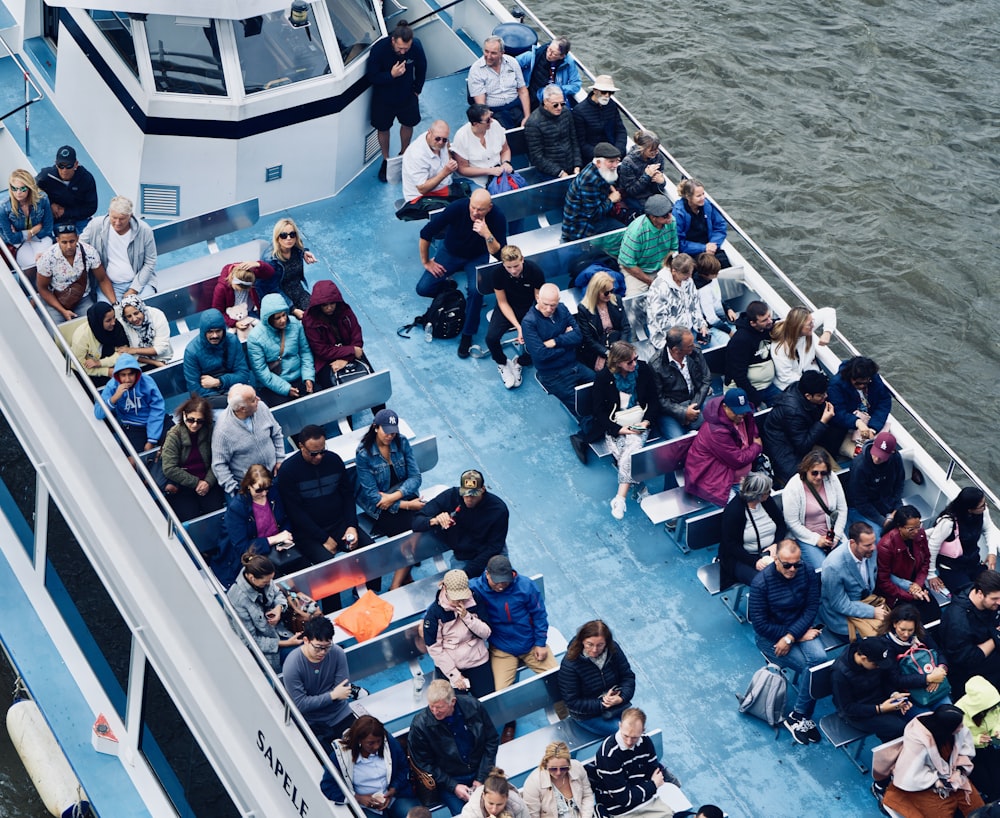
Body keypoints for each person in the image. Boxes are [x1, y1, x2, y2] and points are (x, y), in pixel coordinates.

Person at [749, 539, 825, 744]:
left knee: (819, 661)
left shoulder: (807, 571)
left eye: (796, 564)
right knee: (813, 669)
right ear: (775, 561)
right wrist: (794, 636)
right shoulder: (760, 584)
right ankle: (800, 716)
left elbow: (811, 607)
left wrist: (792, 636)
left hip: (797, 630)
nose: (793, 569)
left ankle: (798, 715)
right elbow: (760, 625)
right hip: (771, 638)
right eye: (787, 565)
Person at [417, 190, 507, 358]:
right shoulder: (458, 208)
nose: (475, 212)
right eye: (473, 207)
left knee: (475, 291)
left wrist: (487, 233)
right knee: (423, 288)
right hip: (450, 252)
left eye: (480, 209)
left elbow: (499, 254)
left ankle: (467, 334)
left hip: (477, 257)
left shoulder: (497, 217)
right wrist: (426, 262)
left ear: (489, 208)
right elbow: (426, 233)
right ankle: (451, 291)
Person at [278, 424, 375, 570]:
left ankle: (369, 590)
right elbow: (295, 512)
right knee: (328, 569)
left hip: (339, 524)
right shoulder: (287, 471)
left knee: (370, 551)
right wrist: (323, 538)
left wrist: (351, 526)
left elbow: (348, 496)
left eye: (322, 451)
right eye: (313, 453)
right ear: (301, 447)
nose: (319, 457)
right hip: (308, 532)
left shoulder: (334, 460)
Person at [521, 283, 595, 463]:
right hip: (554, 375)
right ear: (538, 298)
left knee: (602, 390)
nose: (549, 309)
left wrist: (554, 341)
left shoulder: (561, 309)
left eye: (552, 305)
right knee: (584, 410)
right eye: (545, 304)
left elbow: (578, 337)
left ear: (558, 301)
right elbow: (540, 355)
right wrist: (566, 343)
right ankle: (582, 438)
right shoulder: (529, 322)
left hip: (574, 365)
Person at [407, 679, 499, 815]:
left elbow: (491, 740)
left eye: (439, 707)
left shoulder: (473, 706)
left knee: (497, 809)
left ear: (453, 702)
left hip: (481, 769)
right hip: (449, 779)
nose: (434, 711)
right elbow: (423, 763)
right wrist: (453, 786)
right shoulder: (420, 725)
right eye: (431, 706)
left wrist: (481, 778)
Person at [470, 555, 558, 692]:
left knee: (557, 681)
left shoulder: (526, 586)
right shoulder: (475, 588)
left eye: (505, 582)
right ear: (487, 574)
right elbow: (445, 600)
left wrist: (540, 643)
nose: (500, 586)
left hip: (531, 645)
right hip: (502, 649)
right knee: (500, 694)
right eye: (496, 582)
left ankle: (564, 714)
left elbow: (539, 615)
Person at [880, 704, 984, 817]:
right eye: (959, 726)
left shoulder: (952, 729)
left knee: (979, 808)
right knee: (942, 814)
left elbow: (965, 751)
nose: (962, 727)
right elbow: (910, 773)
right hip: (926, 784)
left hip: (953, 776)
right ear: (947, 728)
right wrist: (937, 781)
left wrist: (958, 771)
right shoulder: (918, 743)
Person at [593, 341, 658, 520]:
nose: (635, 364)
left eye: (635, 359)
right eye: (630, 362)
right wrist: (620, 429)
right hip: (616, 425)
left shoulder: (643, 370)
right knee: (630, 453)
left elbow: (654, 400)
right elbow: (598, 412)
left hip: (639, 421)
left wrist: (645, 423)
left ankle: (620, 498)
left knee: (630, 450)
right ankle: (639, 489)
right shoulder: (604, 378)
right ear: (617, 363)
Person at [412, 469, 509, 578]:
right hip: (463, 555)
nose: (468, 499)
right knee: (456, 589)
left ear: (483, 490)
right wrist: (434, 520)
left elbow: (494, 547)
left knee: (502, 584)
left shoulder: (498, 510)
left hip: (491, 554)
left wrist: (466, 573)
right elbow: (416, 522)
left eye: (473, 495)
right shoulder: (451, 496)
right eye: (465, 494)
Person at [321, 715, 420, 818]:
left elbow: (403, 768)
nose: (376, 746)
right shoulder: (340, 757)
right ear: (359, 741)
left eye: (379, 741)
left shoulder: (389, 743)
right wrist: (358, 798)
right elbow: (328, 787)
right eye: (370, 743)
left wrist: (393, 788)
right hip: (364, 807)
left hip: (395, 797)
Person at [589, 707, 679, 818]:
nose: (629, 742)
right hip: (620, 810)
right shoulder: (608, 755)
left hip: (648, 801)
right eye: (625, 736)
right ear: (620, 726)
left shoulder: (645, 742)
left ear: (643, 730)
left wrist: (649, 786)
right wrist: (653, 784)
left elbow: (653, 772)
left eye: (635, 737)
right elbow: (624, 799)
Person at [216, 464, 295, 586]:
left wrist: (285, 538)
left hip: (278, 547)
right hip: (254, 556)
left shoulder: (273, 493)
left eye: (267, 488)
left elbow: (284, 519)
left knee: (300, 565)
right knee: (277, 580)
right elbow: (242, 548)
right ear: (248, 486)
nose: (264, 493)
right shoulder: (237, 508)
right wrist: (273, 540)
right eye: (258, 490)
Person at [367, 21, 426, 182]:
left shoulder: (416, 47)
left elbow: (422, 67)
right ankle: (386, 159)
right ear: (393, 40)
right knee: (383, 127)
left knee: (408, 123)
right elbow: (372, 76)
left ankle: (404, 154)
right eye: (400, 48)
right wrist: (391, 75)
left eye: (406, 49)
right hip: (383, 97)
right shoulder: (379, 49)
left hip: (407, 95)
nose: (402, 51)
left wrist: (417, 89)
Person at [282, 616, 355, 746]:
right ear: (306, 640)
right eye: (318, 647)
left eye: (327, 647)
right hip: (311, 722)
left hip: (339, 713)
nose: (323, 652)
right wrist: (332, 695)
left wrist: (322, 700)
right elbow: (301, 705)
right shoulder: (292, 665)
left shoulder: (337, 653)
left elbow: (342, 693)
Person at [683, 388, 762, 508]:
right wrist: (757, 447)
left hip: (738, 476)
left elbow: (753, 432)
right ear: (725, 407)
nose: (741, 415)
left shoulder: (744, 415)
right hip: (715, 480)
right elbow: (738, 460)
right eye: (737, 412)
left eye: (743, 411)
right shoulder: (716, 431)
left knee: (761, 503)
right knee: (737, 512)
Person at [354, 408, 425, 538]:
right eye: (386, 431)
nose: (390, 436)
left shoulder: (401, 442)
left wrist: (393, 497)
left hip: (401, 493)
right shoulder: (363, 454)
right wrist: (408, 505)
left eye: (393, 432)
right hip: (380, 506)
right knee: (406, 531)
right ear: (375, 427)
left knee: (422, 524)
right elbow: (372, 496)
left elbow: (415, 477)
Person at [423, 569, 494, 697]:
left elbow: (486, 633)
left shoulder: (475, 599)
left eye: (462, 597)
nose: (459, 601)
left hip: (477, 658)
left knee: (490, 699)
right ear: (444, 588)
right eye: (455, 597)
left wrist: (467, 617)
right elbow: (434, 648)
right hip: (450, 664)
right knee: (456, 705)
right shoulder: (434, 613)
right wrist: (454, 675)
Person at [558, 621, 636, 737]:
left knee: (636, 729)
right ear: (582, 641)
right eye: (589, 644)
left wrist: (621, 697)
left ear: (607, 643)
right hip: (587, 715)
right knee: (626, 734)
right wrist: (603, 703)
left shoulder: (613, 650)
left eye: (600, 645)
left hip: (616, 706)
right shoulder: (571, 663)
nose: (594, 650)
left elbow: (628, 677)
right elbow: (572, 702)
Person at [226, 551, 301, 672]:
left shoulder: (265, 578)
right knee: (302, 658)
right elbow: (250, 641)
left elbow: (278, 594)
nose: (269, 584)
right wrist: (285, 643)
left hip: (283, 631)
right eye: (265, 582)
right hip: (268, 651)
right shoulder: (237, 600)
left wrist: (279, 608)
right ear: (252, 578)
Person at [831, 636, 914, 741]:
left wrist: (894, 694)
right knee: (899, 728)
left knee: (914, 716)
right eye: (876, 664)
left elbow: (885, 679)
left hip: (879, 698)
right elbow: (847, 708)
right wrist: (880, 709)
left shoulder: (874, 659)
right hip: (858, 713)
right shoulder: (839, 674)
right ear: (863, 658)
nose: (878, 667)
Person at [761, 371, 836, 486]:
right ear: (808, 396)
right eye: (820, 395)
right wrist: (823, 422)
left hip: (798, 437)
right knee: (807, 482)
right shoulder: (793, 411)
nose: (825, 396)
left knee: (831, 472)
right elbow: (803, 446)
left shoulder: (800, 389)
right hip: (783, 450)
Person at [486, 245, 544, 389]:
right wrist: (518, 327)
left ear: (522, 259)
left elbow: (538, 300)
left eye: (516, 266)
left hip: (528, 307)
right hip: (507, 307)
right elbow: (502, 302)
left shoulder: (535, 271)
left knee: (539, 336)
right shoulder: (497, 274)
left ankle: (521, 362)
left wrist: (527, 325)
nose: (513, 271)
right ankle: (503, 363)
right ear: (503, 265)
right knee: (491, 338)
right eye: (509, 267)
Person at [211, 384, 284, 496]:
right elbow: (219, 465)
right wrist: (235, 490)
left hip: (275, 474)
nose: (258, 399)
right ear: (242, 409)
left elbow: (276, 433)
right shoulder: (222, 431)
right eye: (253, 399)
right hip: (251, 488)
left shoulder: (261, 407)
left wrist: (280, 460)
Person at [159, 396, 224, 521]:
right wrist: (196, 483)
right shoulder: (174, 435)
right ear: (184, 415)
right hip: (183, 486)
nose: (194, 424)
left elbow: (219, 458)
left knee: (215, 514)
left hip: (208, 482)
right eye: (191, 420)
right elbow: (169, 468)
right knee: (189, 516)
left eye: (199, 421)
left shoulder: (211, 430)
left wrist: (208, 482)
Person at [782, 447, 848, 571]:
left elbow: (842, 509)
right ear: (806, 470)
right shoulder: (794, 487)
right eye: (814, 472)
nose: (819, 477)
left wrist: (837, 536)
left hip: (831, 533)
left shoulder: (832, 478)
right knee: (826, 569)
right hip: (806, 537)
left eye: (823, 473)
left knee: (848, 563)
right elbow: (792, 523)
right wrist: (816, 540)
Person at [35, 223, 115, 323]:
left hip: (82, 298)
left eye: (72, 241)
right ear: (57, 240)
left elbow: (102, 279)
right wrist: (63, 311)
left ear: (77, 238)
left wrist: (114, 303)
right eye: (64, 242)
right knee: (56, 331)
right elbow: (43, 289)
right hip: (56, 299)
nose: (69, 246)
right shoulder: (47, 258)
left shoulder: (89, 252)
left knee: (94, 323)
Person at [303, 280, 375, 391]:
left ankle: (380, 409)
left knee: (373, 384)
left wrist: (346, 359)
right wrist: (351, 351)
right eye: (324, 305)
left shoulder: (345, 311)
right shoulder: (310, 321)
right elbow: (321, 350)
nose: (329, 308)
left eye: (332, 303)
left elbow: (357, 337)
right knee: (334, 393)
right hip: (325, 360)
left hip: (350, 352)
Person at [820, 521, 887, 639]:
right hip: (843, 616)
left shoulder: (870, 550)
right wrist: (872, 612)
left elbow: (882, 573)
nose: (873, 548)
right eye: (867, 545)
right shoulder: (833, 566)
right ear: (853, 542)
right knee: (879, 641)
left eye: (873, 543)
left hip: (869, 603)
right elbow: (839, 604)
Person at [938, 570, 1000, 699]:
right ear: (979, 593)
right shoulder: (958, 621)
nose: (999, 602)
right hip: (971, 672)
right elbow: (968, 659)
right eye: (995, 599)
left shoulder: (988, 600)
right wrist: (996, 636)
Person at [81, 196, 157, 300]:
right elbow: (79, 247)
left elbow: (150, 261)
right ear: (109, 213)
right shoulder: (95, 225)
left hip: (140, 283)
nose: (117, 223)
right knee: (107, 314)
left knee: (146, 308)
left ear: (130, 216)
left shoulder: (144, 230)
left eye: (122, 219)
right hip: (109, 285)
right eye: (114, 218)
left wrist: (134, 289)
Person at [720, 472, 787, 589]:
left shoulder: (767, 501)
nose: (769, 494)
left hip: (771, 552)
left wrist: (776, 544)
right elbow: (730, 544)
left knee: (794, 571)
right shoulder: (734, 511)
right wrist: (754, 562)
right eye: (768, 491)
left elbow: (781, 524)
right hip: (743, 558)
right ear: (758, 495)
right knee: (768, 584)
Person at [928, 488, 999, 596]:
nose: (985, 507)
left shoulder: (983, 512)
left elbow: (989, 529)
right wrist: (931, 574)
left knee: (995, 588)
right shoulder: (948, 522)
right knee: (970, 596)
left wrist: (992, 552)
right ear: (970, 509)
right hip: (952, 569)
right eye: (982, 506)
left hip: (973, 563)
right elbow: (933, 546)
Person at [247, 293, 315, 406]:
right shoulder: (255, 338)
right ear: (268, 319)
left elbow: (305, 352)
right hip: (275, 383)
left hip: (299, 376)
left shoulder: (295, 324)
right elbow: (261, 371)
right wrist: (286, 389)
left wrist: (308, 377)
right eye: (277, 318)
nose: (283, 320)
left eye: (284, 315)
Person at [879, 604, 950, 709]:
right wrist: (928, 678)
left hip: (936, 682)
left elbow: (938, 651)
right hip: (909, 693)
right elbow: (895, 679)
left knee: (950, 713)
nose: (906, 634)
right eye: (902, 629)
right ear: (894, 624)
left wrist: (940, 669)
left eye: (910, 630)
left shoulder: (919, 633)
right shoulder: (886, 644)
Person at [877, 506, 940, 623]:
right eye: (911, 529)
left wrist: (918, 584)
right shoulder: (885, 546)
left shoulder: (920, 534)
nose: (916, 531)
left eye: (918, 526)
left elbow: (926, 561)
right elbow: (883, 581)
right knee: (913, 620)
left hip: (916, 583)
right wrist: (910, 595)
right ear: (899, 527)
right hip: (897, 591)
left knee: (934, 612)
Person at [93, 354, 165, 452]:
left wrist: (151, 440)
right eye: (123, 375)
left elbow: (157, 408)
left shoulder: (147, 381)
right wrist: (114, 398)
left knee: (178, 442)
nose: (127, 379)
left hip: (154, 420)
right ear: (118, 375)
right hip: (132, 426)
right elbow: (98, 413)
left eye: (131, 374)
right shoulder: (112, 386)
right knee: (132, 461)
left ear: (136, 373)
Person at [650, 326, 712, 440]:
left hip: (696, 400)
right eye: (689, 346)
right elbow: (659, 399)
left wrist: (693, 407)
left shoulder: (695, 351)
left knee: (714, 430)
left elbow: (706, 379)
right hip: (671, 410)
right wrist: (683, 412)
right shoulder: (655, 365)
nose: (694, 347)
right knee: (679, 442)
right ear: (675, 350)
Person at [826, 356, 893, 459]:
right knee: (866, 457)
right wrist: (857, 423)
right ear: (850, 377)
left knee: (886, 451)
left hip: (870, 422)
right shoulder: (836, 385)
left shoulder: (874, 379)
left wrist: (873, 428)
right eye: (858, 383)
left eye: (865, 383)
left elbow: (884, 401)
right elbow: (838, 413)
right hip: (846, 428)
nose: (861, 386)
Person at [183, 309, 253, 405]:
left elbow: (243, 375)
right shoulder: (192, 351)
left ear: (223, 330)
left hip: (235, 391)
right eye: (210, 332)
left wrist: (218, 382)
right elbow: (195, 390)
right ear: (203, 332)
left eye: (218, 331)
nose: (215, 335)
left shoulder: (232, 341)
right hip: (210, 399)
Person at [561, 142, 625, 243]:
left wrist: (610, 187)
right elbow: (593, 214)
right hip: (580, 227)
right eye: (611, 162)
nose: (615, 165)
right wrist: (611, 199)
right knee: (625, 235)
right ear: (599, 163)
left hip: (589, 217)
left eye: (617, 161)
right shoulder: (589, 181)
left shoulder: (597, 169)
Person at [645, 253, 709, 351]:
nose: (689, 277)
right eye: (686, 274)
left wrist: (701, 325)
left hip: (689, 332)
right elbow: (660, 319)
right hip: (667, 338)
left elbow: (695, 305)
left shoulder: (688, 281)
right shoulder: (659, 287)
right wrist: (680, 339)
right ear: (674, 271)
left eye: (690, 273)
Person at [617, 195, 678, 297]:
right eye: (665, 216)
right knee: (634, 300)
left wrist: (668, 270)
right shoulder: (636, 232)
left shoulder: (671, 222)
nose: (670, 217)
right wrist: (651, 282)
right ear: (653, 217)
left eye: (670, 212)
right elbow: (627, 264)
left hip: (663, 266)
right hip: (639, 269)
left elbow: (673, 249)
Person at [724, 300, 781, 407]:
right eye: (764, 320)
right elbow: (738, 374)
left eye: (769, 316)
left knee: (786, 407)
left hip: (768, 386)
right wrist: (753, 396)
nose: (770, 321)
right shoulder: (740, 341)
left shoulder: (767, 327)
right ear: (753, 323)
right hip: (747, 389)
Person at [849, 431, 905, 539]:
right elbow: (860, 501)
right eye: (876, 453)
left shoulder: (896, 459)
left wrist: (897, 508)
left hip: (888, 503)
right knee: (879, 536)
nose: (877, 458)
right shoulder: (860, 466)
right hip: (863, 508)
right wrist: (882, 521)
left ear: (892, 452)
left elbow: (899, 483)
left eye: (882, 456)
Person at [467, 36, 530, 128]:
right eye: (486, 51)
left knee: (532, 127)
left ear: (502, 53)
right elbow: (481, 104)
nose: (488, 56)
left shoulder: (512, 62)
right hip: (494, 111)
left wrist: (527, 116)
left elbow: (522, 90)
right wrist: (489, 121)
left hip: (515, 105)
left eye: (493, 53)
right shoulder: (476, 70)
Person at [769, 306, 837, 392]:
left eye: (812, 322)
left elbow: (829, 312)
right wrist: (811, 381)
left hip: (810, 375)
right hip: (793, 385)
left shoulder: (806, 328)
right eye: (810, 324)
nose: (813, 325)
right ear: (798, 327)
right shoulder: (780, 347)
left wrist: (827, 332)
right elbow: (785, 377)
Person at [575, 271, 631, 372]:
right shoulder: (584, 309)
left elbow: (625, 327)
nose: (610, 295)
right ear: (596, 292)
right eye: (606, 293)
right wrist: (608, 353)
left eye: (611, 290)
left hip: (618, 343)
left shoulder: (616, 300)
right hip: (599, 349)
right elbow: (588, 340)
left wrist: (621, 348)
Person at [260, 218, 317, 318]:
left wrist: (304, 252)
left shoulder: (296, 247)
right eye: (283, 235)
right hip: (281, 298)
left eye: (292, 234)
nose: (289, 238)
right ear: (277, 237)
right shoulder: (270, 260)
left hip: (298, 291)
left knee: (317, 314)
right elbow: (271, 288)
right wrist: (293, 309)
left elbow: (300, 248)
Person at [521, 741, 594, 818]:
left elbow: (587, 795)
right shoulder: (533, 782)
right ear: (545, 765)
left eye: (563, 768)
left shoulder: (577, 768)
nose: (558, 773)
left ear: (569, 764)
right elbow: (532, 815)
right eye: (553, 769)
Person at [956, 676, 1000, 802]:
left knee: (996, 776)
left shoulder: (994, 705)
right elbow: (957, 738)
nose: (993, 709)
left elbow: (998, 717)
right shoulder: (959, 712)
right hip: (972, 753)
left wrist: (997, 729)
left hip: (990, 746)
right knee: (986, 782)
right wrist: (976, 739)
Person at [35, 145, 98, 233]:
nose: (64, 170)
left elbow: (91, 207)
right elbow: (34, 191)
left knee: (86, 241)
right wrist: (50, 204)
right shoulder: (46, 176)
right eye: (61, 165)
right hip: (55, 220)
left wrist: (65, 212)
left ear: (76, 164)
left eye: (69, 166)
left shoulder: (86, 178)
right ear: (56, 163)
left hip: (79, 220)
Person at [524, 85, 581, 180]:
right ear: (545, 102)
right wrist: (559, 172)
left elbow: (574, 140)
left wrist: (577, 164)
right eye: (555, 105)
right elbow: (537, 157)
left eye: (562, 104)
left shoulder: (566, 113)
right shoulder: (533, 123)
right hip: (549, 173)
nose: (559, 108)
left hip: (571, 166)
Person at [2, 169, 53, 273]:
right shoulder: (4, 208)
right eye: (14, 188)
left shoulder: (42, 199)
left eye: (23, 188)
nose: (18, 193)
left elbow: (48, 228)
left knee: (44, 262)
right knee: (31, 266)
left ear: (29, 187)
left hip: (41, 237)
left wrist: (25, 234)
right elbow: (12, 239)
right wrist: (33, 230)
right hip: (20, 243)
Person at [401, 120, 462, 207]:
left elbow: (447, 148)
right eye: (437, 139)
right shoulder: (417, 155)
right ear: (429, 132)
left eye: (444, 139)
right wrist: (445, 172)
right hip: (421, 197)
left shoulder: (443, 142)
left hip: (443, 185)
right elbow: (422, 189)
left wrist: (450, 159)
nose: (441, 142)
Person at [672, 179, 730, 268]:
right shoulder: (679, 213)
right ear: (688, 197)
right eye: (698, 196)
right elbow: (678, 242)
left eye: (703, 194)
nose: (703, 198)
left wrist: (713, 245)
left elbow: (720, 226)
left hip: (710, 246)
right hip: (690, 251)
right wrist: (703, 248)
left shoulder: (707, 205)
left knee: (724, 263)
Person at [453, 104, 513, 189]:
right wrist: (489, 171)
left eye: (491, 116)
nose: (491, 121)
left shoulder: (495, 125)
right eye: (487, 120)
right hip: (476, 180)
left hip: (499, 174)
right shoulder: (461, 137)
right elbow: (463, 169)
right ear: (476, 124)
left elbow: (505, 150)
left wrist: (506, 163)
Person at [211, 260, 274, 340]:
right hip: (232, 317)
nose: (241, 291)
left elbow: (270, 273)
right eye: (238, 288)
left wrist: (258, 264)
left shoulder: (248, 273)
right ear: (232, 279)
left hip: (250, 313)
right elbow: (217, 312)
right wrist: (234, 323)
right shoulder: (221, 288)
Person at [516, 37, 581, 111]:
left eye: (554, 53)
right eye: (549, 49)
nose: (549, 54)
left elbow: (576, 85)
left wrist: (556, 89)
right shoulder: (535, 55)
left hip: (552, 98)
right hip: (530, 92)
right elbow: (513, 64)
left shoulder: (569, 63)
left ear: (562, 56)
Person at [571, 75, 627, 161]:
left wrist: (618, 151)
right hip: (594, 156)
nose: (607, 95)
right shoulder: (579, 111)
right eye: (604, 92)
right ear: (595, 91)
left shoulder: (611, 105)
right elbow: (581, 143)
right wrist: (602, 157)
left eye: (611, 92)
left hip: (614, 152)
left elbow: (621, 130)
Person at [70, 302, 126, 387]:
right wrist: (107, 371)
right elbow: (80, 366)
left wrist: (100, 363)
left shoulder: (116, 326)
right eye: (108, 320)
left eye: (114, 317)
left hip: (106, 364)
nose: (113, 323)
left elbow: (123, 352)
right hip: (88, 372)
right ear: (98, 321)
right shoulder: (81, 338)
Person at [616, 130, 667, 214]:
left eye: (657, 149)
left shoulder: (658, 158)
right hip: (633, 197)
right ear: (642, 148)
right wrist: (646, 176)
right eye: (652, 150)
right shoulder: (628, 162)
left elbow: (657, 188)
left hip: (650, 194)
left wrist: (661, 182)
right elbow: (630, 190)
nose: (656, 152)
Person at [118, 293, 172, 366]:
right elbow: (125, 353)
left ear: (142, 309)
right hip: (137, 363)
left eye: (136, 313)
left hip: (162, 359)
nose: (134, 319)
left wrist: (134, 350)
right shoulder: (122, 324)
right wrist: (155, 363)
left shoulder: (157, 315)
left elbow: (160, 348)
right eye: (129, 316)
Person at [692, 253, 737, 338]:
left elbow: (717, 297)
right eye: (715, 273)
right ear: (705, 274)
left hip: (722, 317)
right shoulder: (703, 291)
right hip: (712, 325)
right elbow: (711, 319)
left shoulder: (712, 278)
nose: (717, 275)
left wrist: (728, 309)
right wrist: (729, 332)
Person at [461, 770, 530, 818]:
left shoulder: (518, 805)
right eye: (490, 803)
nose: (494, 810)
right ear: (483, 796)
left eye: (499, 804)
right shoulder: (471, 812)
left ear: (507, 798)